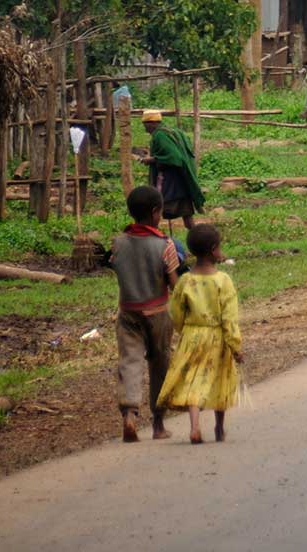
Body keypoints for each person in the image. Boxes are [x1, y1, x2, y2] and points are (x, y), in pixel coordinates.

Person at [156, 222, 242, 444]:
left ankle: (194, 427)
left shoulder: (185, 280)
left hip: (191, 336)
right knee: (218, 379)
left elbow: (175, 312)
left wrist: (184, 331)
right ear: (214, 249)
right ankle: (219, 427)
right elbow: (229, 318)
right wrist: (235, 345)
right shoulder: (223, 281)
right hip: (217, 338)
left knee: (194, 381)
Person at [113, 185, 181, 442]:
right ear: (155, 213)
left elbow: (116, 266)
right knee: (159, 363)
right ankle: (158, 424)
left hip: (128, 311)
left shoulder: (118, 243)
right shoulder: (165, 245)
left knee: (130, 362)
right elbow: (174, 284)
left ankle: (129, 415)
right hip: (158, 313)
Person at [141, 109, 202, 229]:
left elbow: (175, 157)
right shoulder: (173, 131)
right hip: (182, 181)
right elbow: (171, 152)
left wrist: (152, 160)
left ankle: (154, 239)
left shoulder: (160, 135)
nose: (145, 128)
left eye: (145, 125)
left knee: (155, 211)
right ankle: (197, 238)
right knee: (187, 216)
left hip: (170, 184)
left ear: (151, 123)